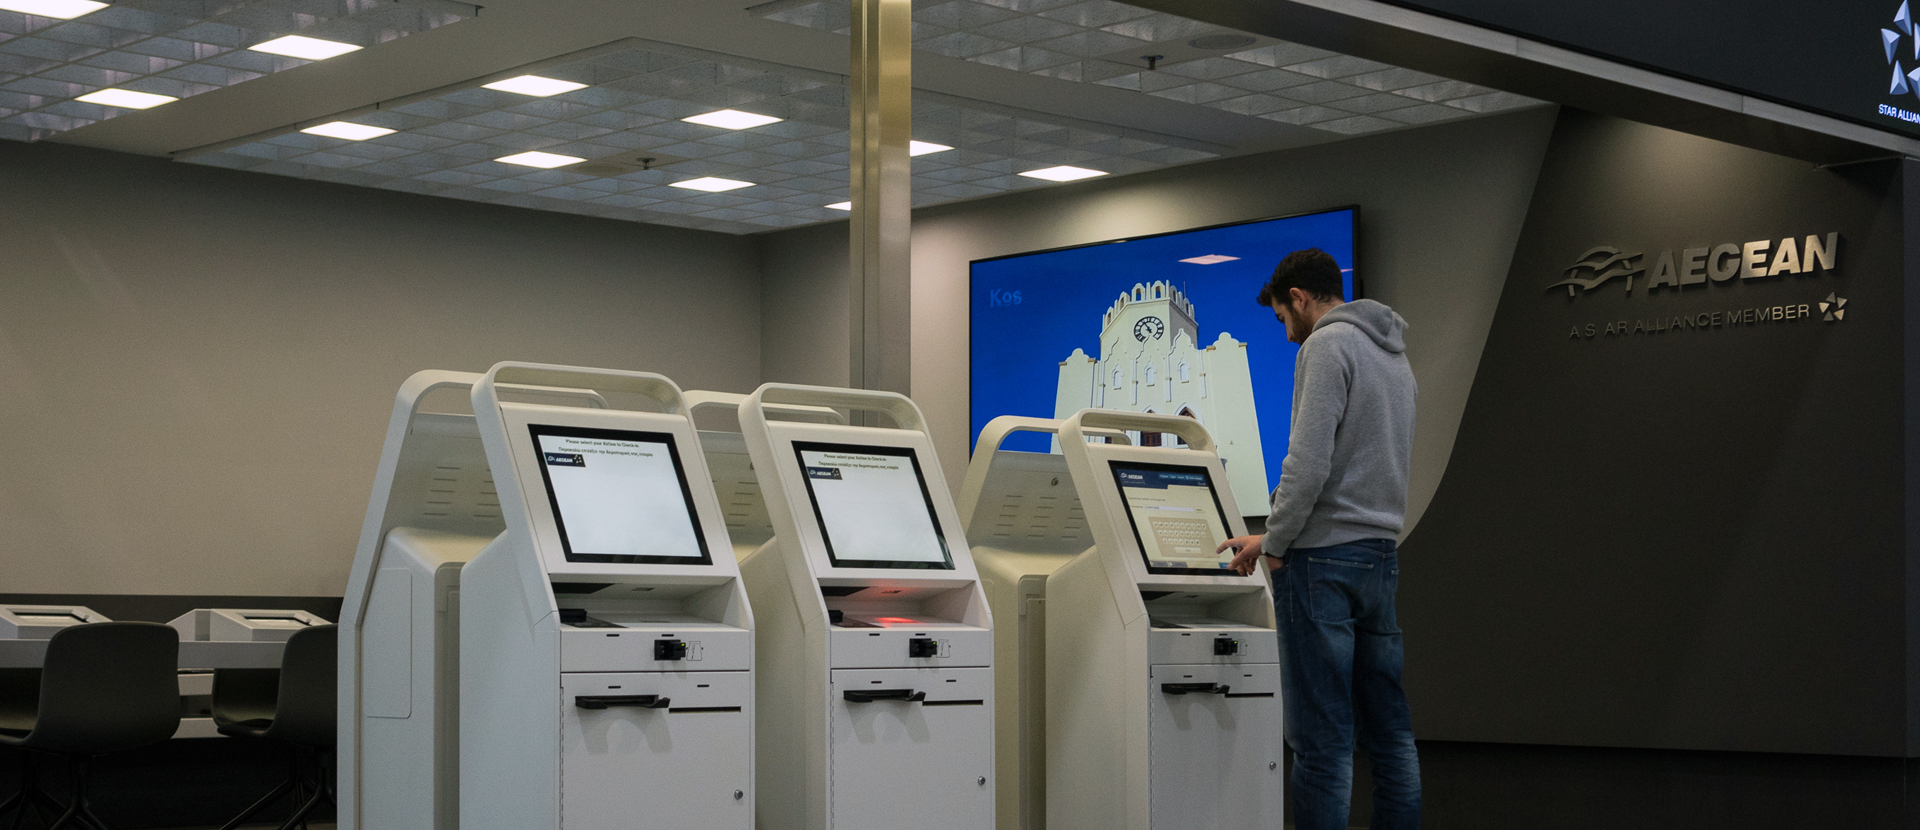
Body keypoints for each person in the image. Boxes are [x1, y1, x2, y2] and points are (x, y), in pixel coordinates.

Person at [1215, 248, 1421, 830]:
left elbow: (1307, 464)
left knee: (1322, 742)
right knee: (1391, 736)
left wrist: (1275, 545)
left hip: (1321, 564)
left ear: (1301, 299)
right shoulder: (1394, 356)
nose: (1286, 335)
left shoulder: (1325, 346)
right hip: (1380, 558)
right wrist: (1267, 537)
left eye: (1283, 318)